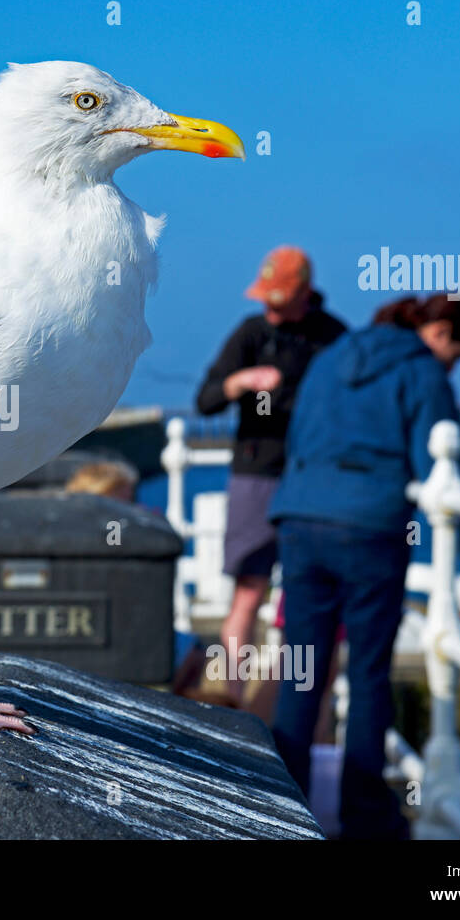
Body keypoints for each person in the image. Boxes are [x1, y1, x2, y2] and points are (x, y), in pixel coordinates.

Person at [268, 293, 460, 840]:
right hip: (369, 528)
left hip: (300, 518)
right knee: (369, 673)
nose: (452, 368)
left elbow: (298, 436)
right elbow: (440, 465)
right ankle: (366, 815)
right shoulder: (422, 373)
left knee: (302, 667)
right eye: (457, 356)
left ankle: (283, 809)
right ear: (439, 332)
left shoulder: (333, 354)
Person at [195, 247, 347, 697]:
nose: (270, 308)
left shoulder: (334, 337)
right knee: (248, 590)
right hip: (256, 472)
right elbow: (206, 399)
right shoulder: (250, 333)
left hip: (313, 477)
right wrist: (241, 382)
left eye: (278, 299)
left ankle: (291, 707)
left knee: (306, 595)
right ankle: (232, 700)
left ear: (304, 293)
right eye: (266, 298)